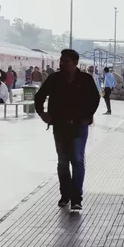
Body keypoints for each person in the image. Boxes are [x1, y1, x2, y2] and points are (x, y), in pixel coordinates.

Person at [35, 49, 101, 212]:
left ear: (75, 63)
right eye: (61, 61)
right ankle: (65, 195)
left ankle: (76, 198)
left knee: (77, 160)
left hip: (79, 126)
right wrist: (42, 113)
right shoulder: (54, 79)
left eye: (66, 61)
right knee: (63, 162)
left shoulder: (85, 79)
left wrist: (88, 116)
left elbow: (95, 98)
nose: (62, 64)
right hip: (60, 125)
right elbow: (39, 96)